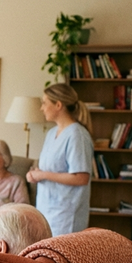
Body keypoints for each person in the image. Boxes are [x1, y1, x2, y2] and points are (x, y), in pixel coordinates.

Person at [26, 83, 94, 236]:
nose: (41, 108)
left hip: (66, 215)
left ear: (58, 105)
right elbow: (52, 168)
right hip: (46, 210)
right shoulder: (51, 133)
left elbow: (81, 177)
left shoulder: (77, 135)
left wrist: (43, 175)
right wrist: (36, 174)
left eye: (44, 103)